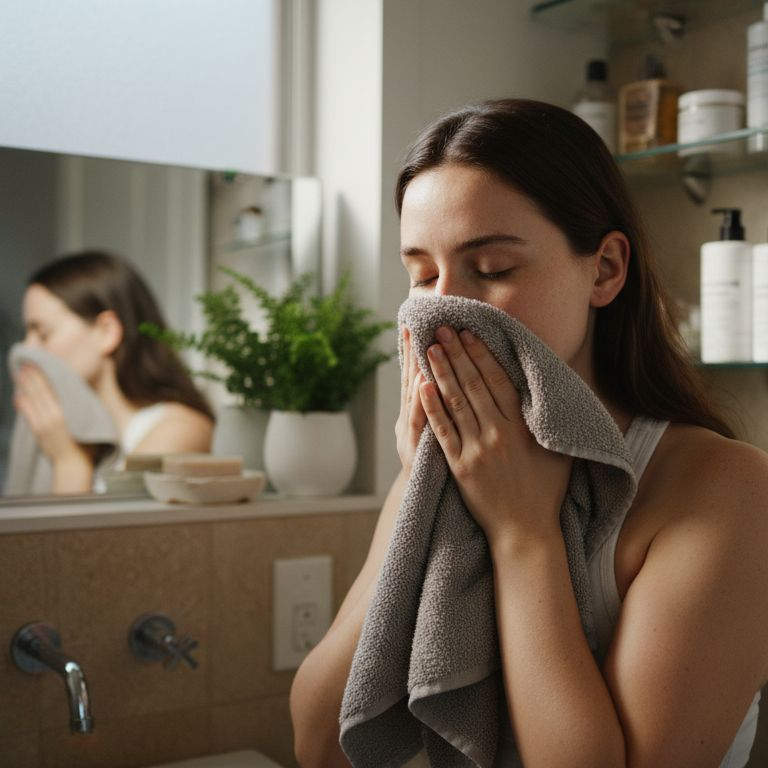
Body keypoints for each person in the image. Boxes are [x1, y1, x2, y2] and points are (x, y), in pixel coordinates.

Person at [289, 99, 768, 767]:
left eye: (493, 270)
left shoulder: (725, 486)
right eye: (423, 276)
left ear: (604, 270)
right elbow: (320, 742)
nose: (445, 310)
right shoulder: (448, 465)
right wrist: (424, 491)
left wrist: (523, 533)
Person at [14, 250, 214, 494]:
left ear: (105, 332)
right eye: (27, 334)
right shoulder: (59, 427)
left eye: (43, 333)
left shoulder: (180, 429)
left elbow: (96, 532)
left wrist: (70, 461)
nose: (26, 349)